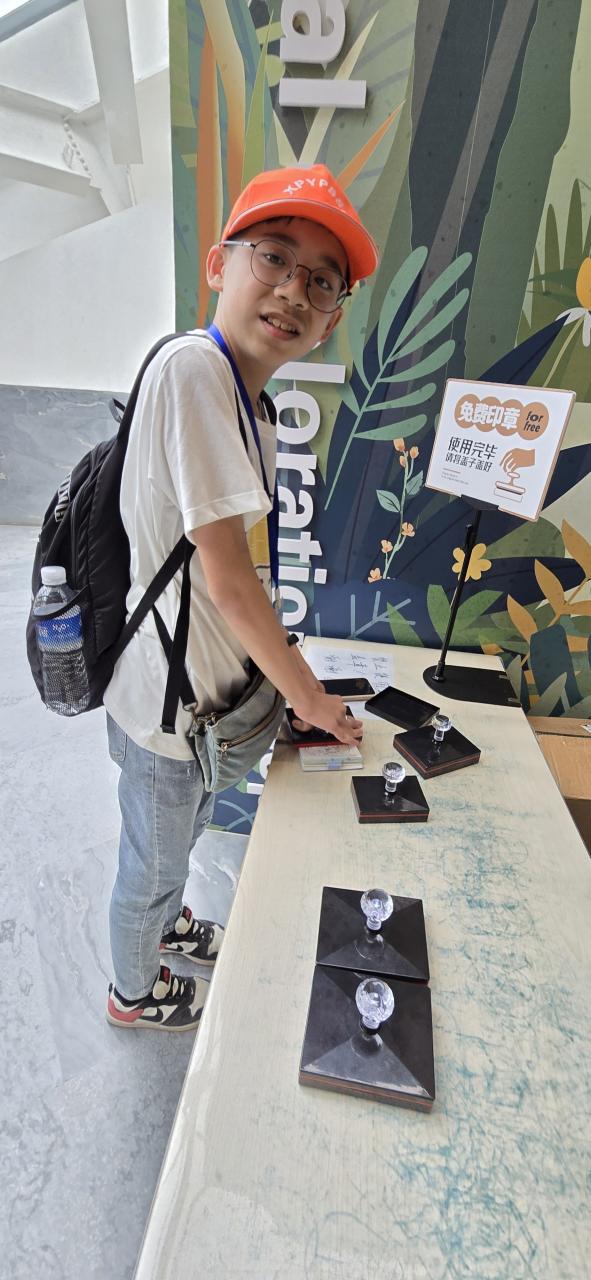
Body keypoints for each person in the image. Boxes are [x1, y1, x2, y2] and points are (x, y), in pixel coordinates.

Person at [103, 163, 379, 1031]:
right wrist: (310, 699)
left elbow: (227, 574)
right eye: (274, 257)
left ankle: (168, 926)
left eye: (321, 281)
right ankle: (133, 992)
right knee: (150, 863)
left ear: (331, 317)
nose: (293, 290)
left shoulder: (246, 399)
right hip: (164, 708)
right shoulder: (196, 370)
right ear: (219, 264)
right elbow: (225, 578)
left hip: (196, 703)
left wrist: (285, 685)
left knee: (179, 839)